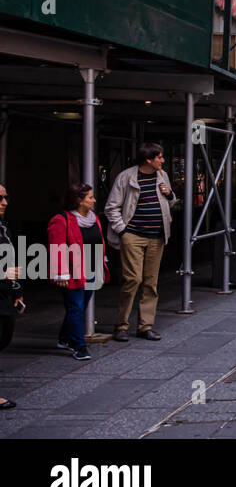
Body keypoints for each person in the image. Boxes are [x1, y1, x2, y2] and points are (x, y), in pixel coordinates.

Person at [104, 143, 175, 342]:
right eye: (159, 157)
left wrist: (170, 194)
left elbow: (170, 202)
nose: (162, 160)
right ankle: (121, 325)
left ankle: (145, 326)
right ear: (148, 160)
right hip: (133, 235)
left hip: (157, 236)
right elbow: (111, 207)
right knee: (132, 279)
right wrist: (123, 231)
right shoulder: (126, 177)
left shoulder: (163, 176)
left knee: (151, 282)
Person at [50, 183, 108, 363]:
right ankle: (79, 346)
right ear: (78, 201)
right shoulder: (61, 220)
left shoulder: (93, 218)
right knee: (75, 307)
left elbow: (99, 242)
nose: (94, 200)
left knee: (79, 307)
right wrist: (61, 273)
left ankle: (64, 339)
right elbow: (57, 248)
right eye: (90, 197)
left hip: (91, 269)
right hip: (73, 272)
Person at [0, 183, 22, 408]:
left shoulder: (2, 226)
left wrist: (16, 290)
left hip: (4, 292)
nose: (5, 203)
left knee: (5, 334)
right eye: (0, 198)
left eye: (5, 197)